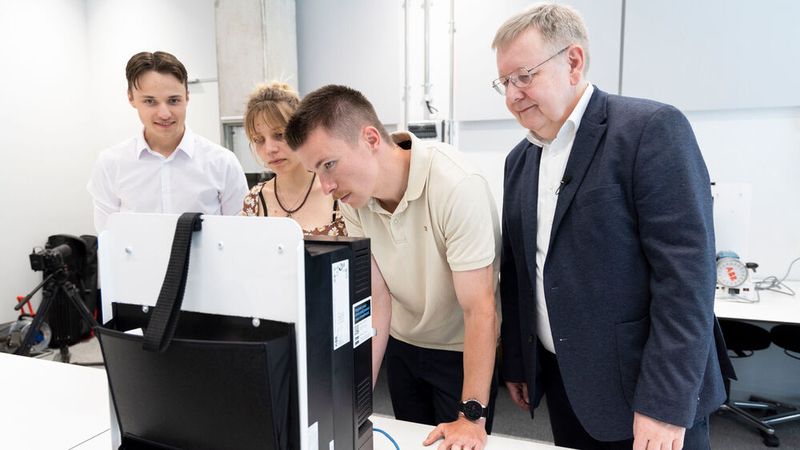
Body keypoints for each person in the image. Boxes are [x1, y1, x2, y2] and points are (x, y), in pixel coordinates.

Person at [493, 4, 735, 450]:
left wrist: (664, 404)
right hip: (565, 381)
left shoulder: (649, 130)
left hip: (646, 390)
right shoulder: (519, 161)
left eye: (524, 76)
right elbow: (520, 272)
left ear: (573, 62)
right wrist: (517, 362)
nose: (512, 95)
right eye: (504, 82)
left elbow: (686, 280)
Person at [285, 85, 501, 450]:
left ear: (370, 138)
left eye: (329, 164)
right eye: (315, 172)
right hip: (404, 346)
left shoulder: (456, 186)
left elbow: (479, 310)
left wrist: (470, 415)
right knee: (413, 442)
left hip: (459, 349)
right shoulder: (354, 200)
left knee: (461, 442)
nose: (325, 186)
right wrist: (352, 405)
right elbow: (378, 301)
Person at [87, 51, 248, 232]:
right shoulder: (110, 164)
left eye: (173, 100)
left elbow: (238, 237)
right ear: (131, 98)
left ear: (187, 96)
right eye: (150, 101)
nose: (164, 114)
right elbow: (109, 242)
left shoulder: (222, 162)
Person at [240, 82, 345, 236]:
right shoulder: (254, 200)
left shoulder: (339, 192)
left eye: (279, 135)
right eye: (258, 139)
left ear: (303, 131)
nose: (270, 149)